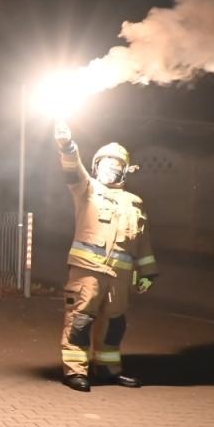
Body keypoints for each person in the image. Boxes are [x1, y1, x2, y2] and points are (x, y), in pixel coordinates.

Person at [54, 123, 158, 390]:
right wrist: (67, 145)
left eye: (115, 165)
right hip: (87, 271)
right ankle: (75, 371)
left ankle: (108, 369)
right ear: (96, 167)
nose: (109, 169)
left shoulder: (134, 202)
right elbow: (72, 168)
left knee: (114, 325)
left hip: (120, 277)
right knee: (79, 320)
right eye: (105, 164)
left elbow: (142, 241)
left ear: (124, 170)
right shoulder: (86, 190)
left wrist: (148, 272)